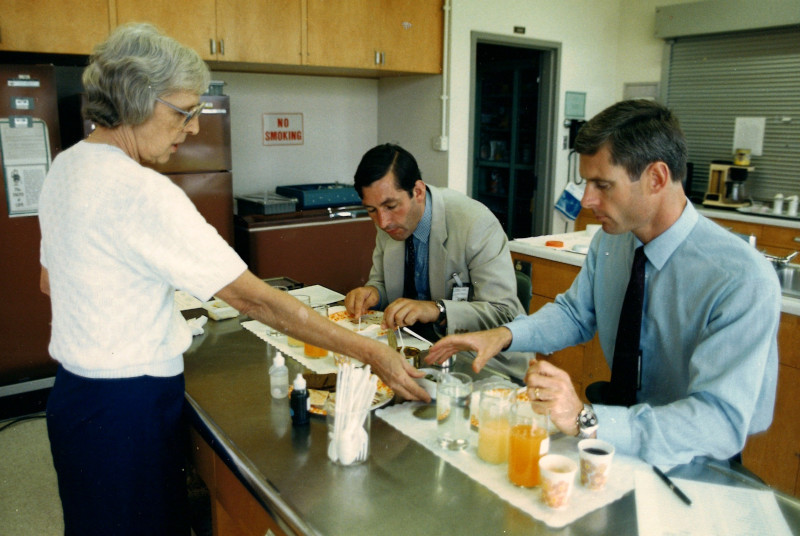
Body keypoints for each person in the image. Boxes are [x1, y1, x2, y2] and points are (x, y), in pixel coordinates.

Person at [38, 24, 427, 536]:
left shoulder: (68, 166)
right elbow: (255, 301)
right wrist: (369, 351)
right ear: (138, 100)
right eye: (184, 111)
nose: (194, 128)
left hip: (75, 399)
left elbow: (51, 281)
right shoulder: (140, 191)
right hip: (125, 410)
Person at [426, 100, 780, 467]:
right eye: (586, 183)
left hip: (692, 459)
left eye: (602, 185)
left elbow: (719, 422)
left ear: (656, 178)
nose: (587, 200)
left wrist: (585, 418)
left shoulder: (741, 279)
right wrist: (503, 335)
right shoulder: (612, 241)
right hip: (614, 438)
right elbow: (576, 314)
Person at [344, 143, 524, 341]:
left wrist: (437, 309)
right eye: (371, 210)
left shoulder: (476, 223)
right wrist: (374, 293)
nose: (382, 222)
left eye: (391, 206)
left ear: (418, 192)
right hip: (413, 344)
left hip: (477, 354)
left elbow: (504, 312)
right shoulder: (388, 221)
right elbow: (383, 282)